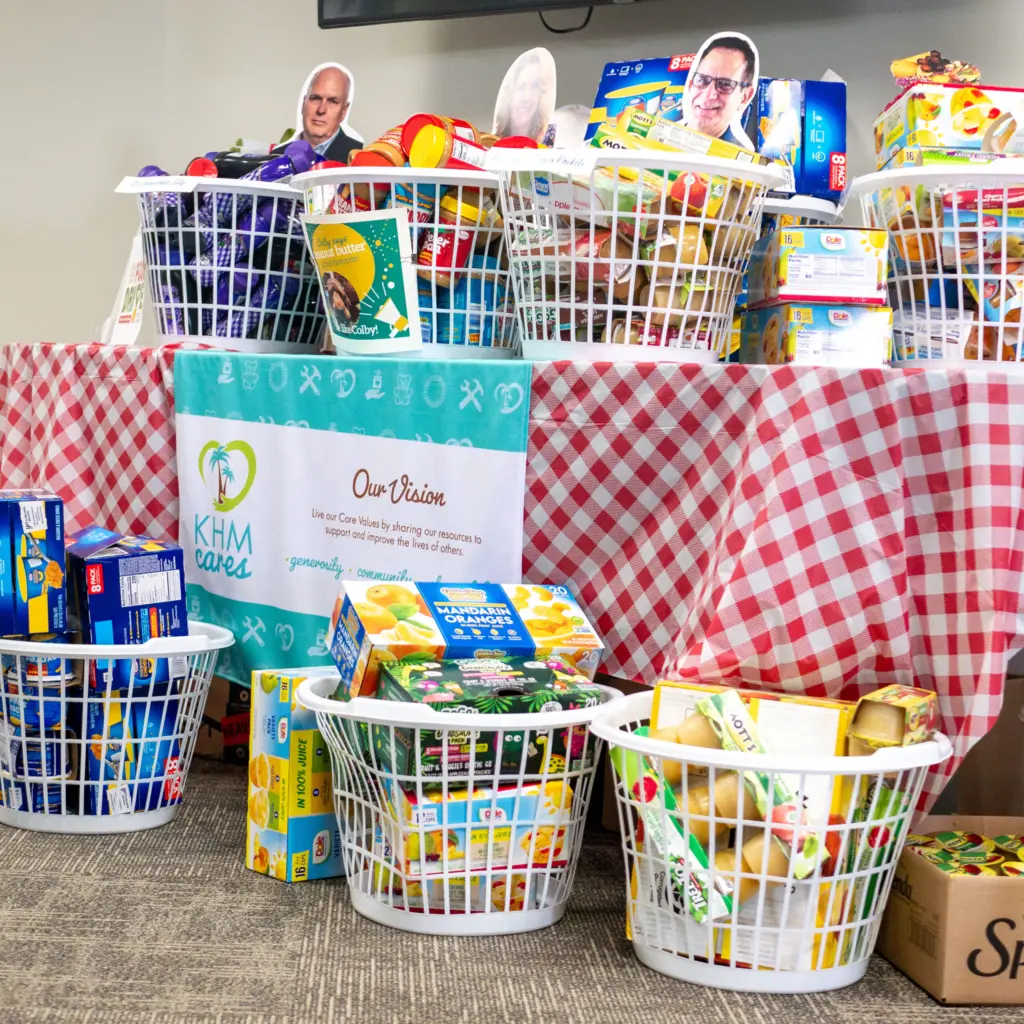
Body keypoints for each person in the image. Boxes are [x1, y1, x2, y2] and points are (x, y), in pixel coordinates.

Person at [682, 34, 758, 150]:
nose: (708, 94)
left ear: (744, 97)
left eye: (725, 84)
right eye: (702, 80)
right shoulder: (654, 137)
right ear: (690, 84)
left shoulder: (741, 161)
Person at [286, 64, 361, 163]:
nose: (321, 110)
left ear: (344, 111)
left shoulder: (359, 158)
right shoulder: (275, 156)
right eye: (316, 98)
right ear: (304, 103)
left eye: (332, 101)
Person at [493, 48, 556, 142]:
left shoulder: (547, 144)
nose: (527, 97)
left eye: (534, 87)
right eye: (521, 87)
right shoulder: (490, 143)